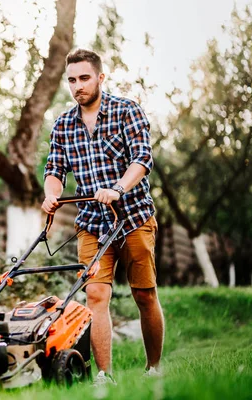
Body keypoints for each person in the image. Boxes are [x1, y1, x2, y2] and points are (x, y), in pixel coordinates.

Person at [41, 49, 164, 385]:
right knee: (95, 296)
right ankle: (104, 376)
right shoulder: (64, 124)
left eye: (84, 78)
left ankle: (154, 368)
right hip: (93, 223)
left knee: (144, 293)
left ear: (99, 77)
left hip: (133, 217)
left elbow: (141, 159)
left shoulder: (126, 111)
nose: (78, 85)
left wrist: (119, 188)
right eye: (72, 80)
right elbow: (55, 169)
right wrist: (51, 194)